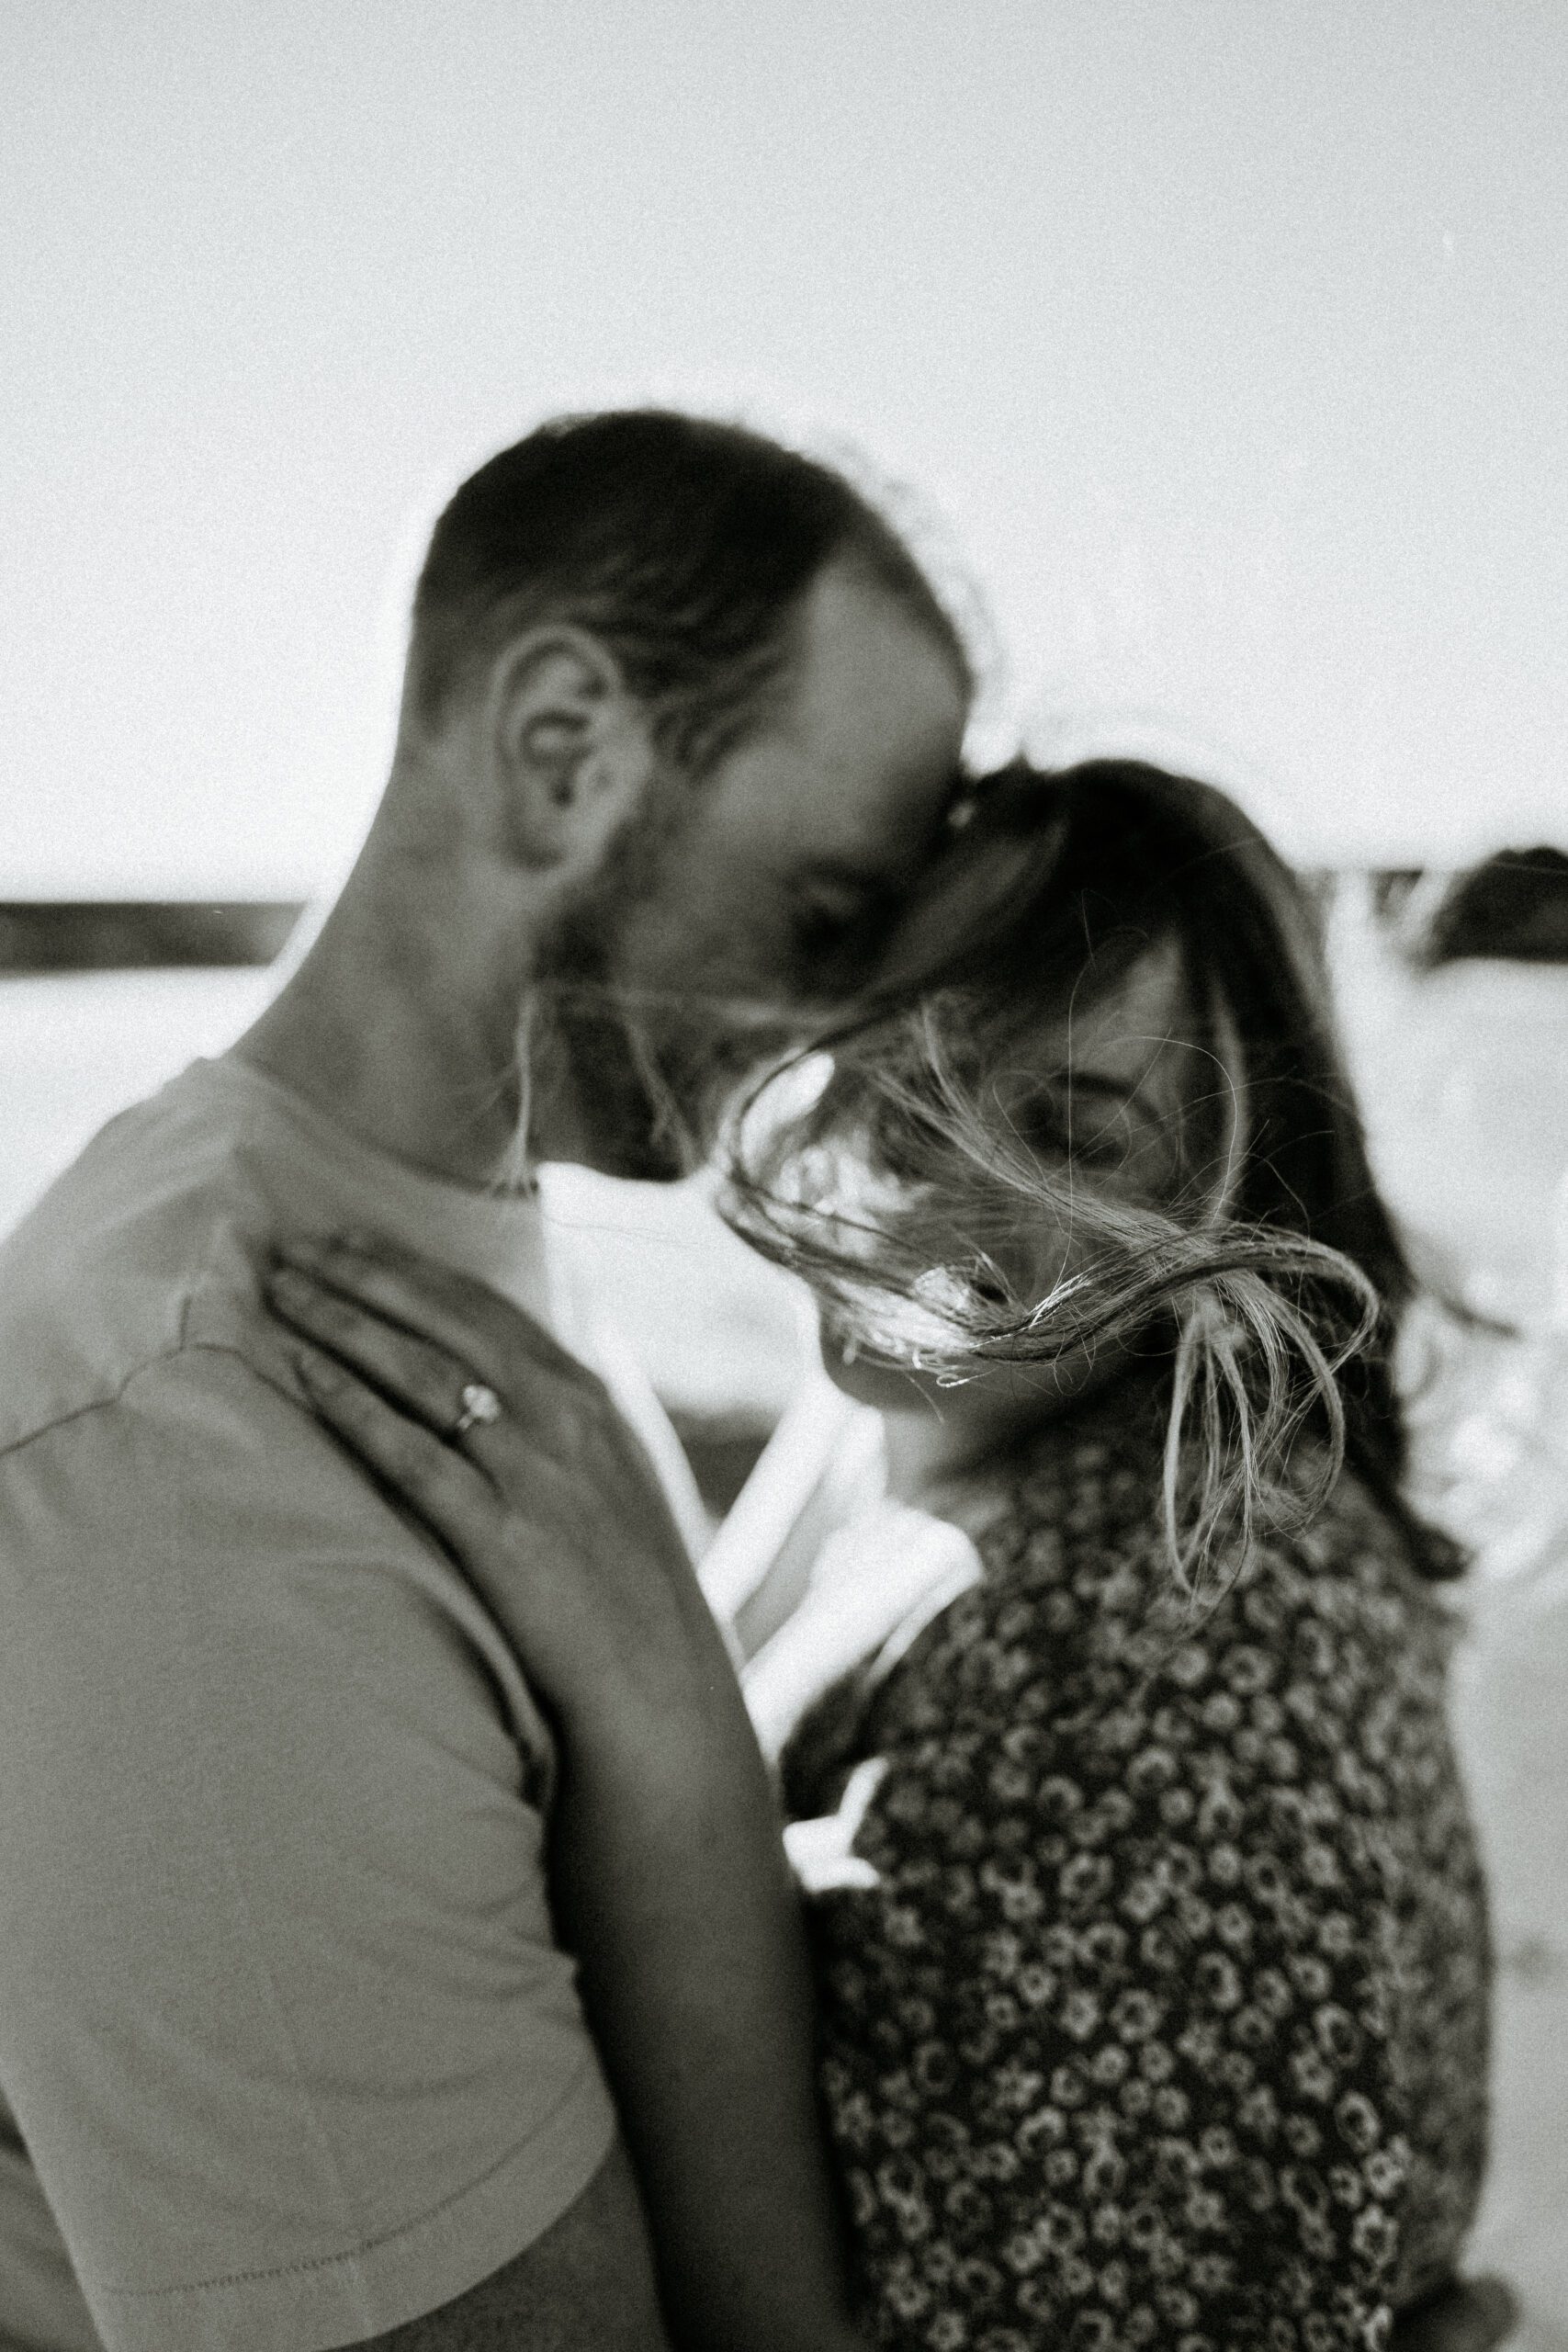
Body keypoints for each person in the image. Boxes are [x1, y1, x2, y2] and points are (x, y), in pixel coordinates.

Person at [265, 763, 1502, 2349]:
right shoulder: (972, 1428)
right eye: (914, 1067)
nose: (943, 1180)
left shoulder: (1164, 1641)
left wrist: (656, 1704)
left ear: (1231, 1190)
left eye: (1074, 1127)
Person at [0, 410, 971, 2352]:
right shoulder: (196, 1452)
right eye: (821, 916)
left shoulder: (460, 1231)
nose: (850, 1023)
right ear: (562, 752)